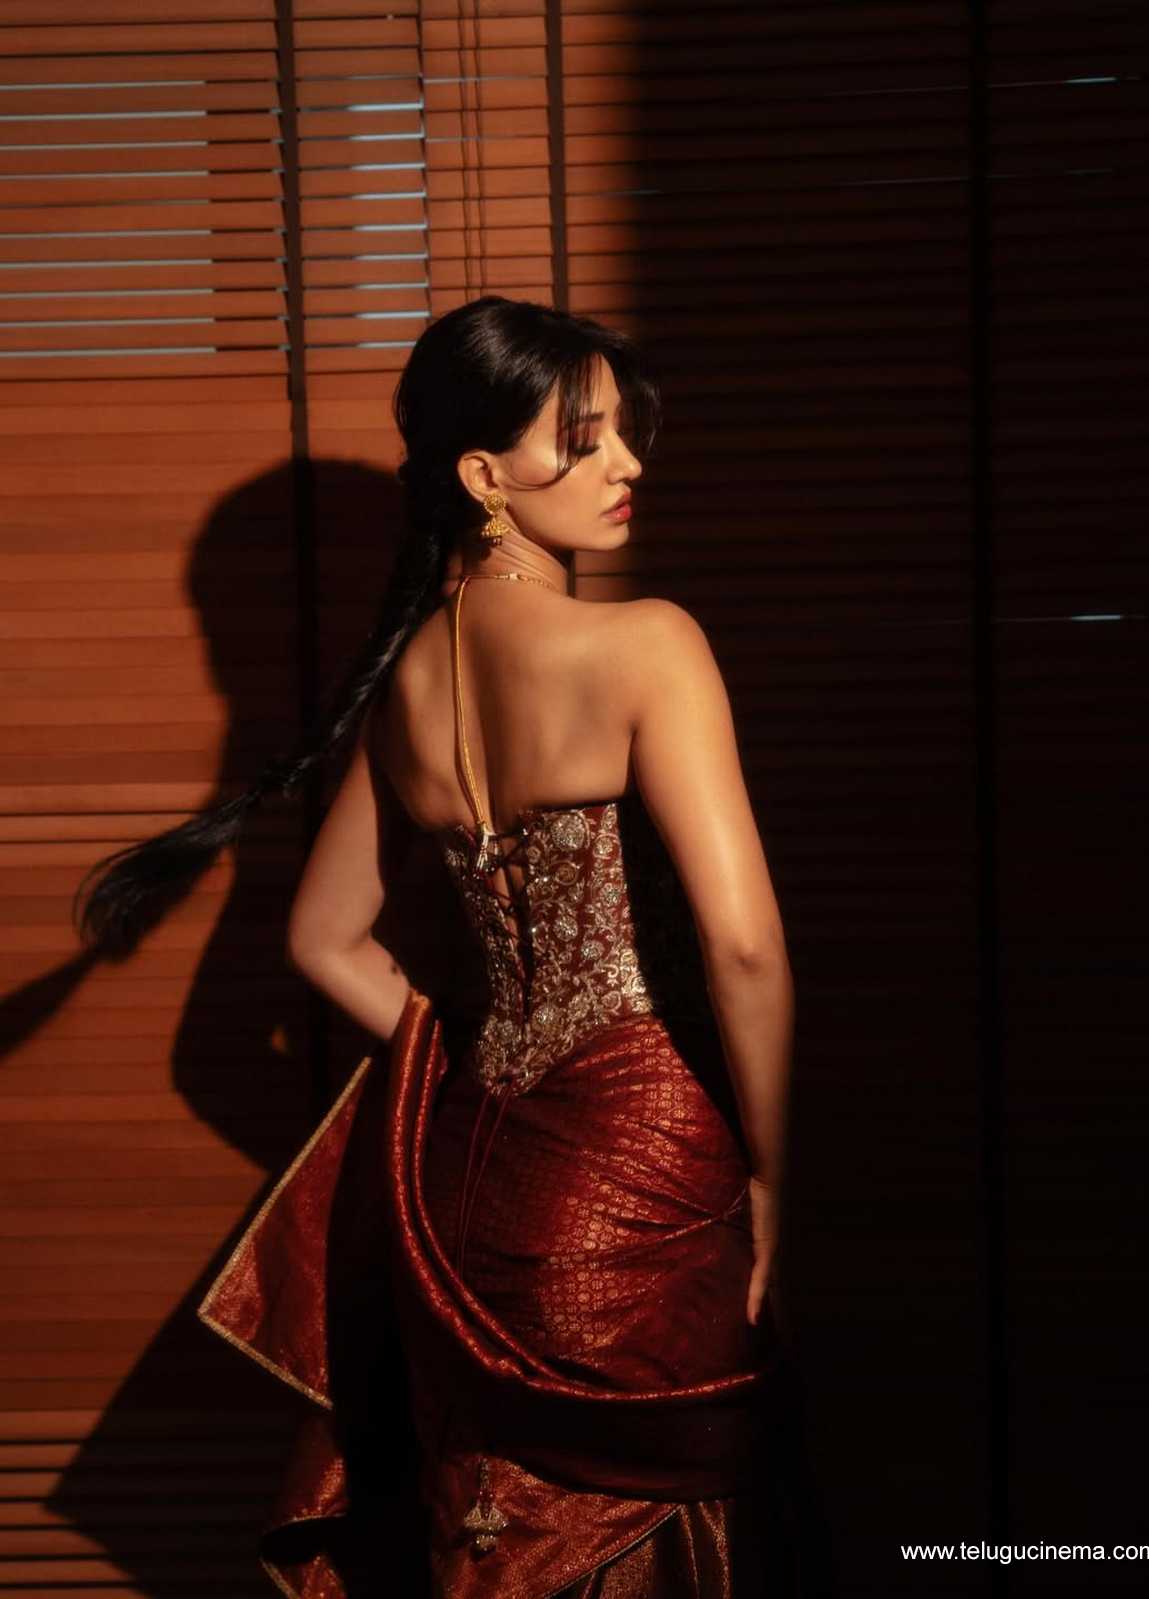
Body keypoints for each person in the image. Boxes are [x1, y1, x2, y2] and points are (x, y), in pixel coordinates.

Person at [74, 296, 800, 1596]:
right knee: (648, 1535)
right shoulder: (649, 643)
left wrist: (466, 1055)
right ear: (483, 476)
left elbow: (323, 940)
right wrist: (775, 1177)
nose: (629, 464)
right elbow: (743, 948)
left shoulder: (409, 680)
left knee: (497, 1533)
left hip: (475, 1182)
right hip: (646, 1159)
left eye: (626, 433)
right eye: (584, 440)